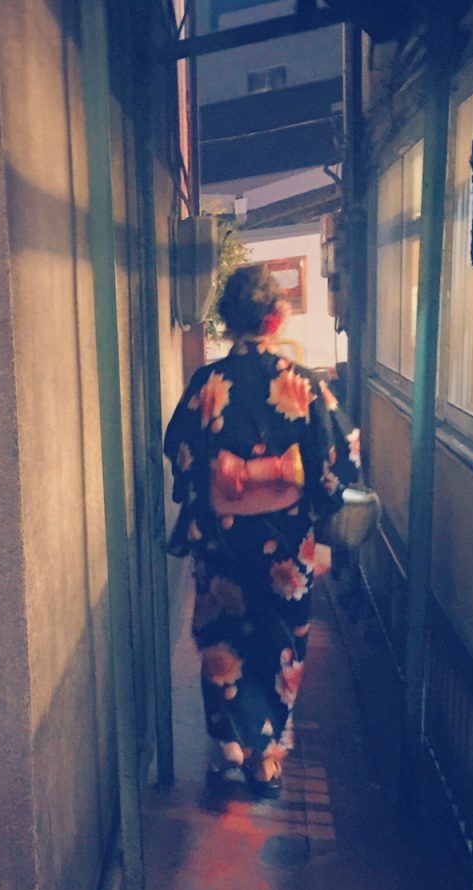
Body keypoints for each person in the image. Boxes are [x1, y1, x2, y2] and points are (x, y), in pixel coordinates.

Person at [163, 266, 360, 797]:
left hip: (223, 537)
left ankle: (228, 743)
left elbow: (180, 451)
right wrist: (281, 473)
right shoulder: (305, 384)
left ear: (227, 321)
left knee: (224, 632)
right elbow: (339, 460)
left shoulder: (207, 384)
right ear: (276, 318)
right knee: (279, 639)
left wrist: (231, 473)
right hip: (284, 538)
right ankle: (263, 757)